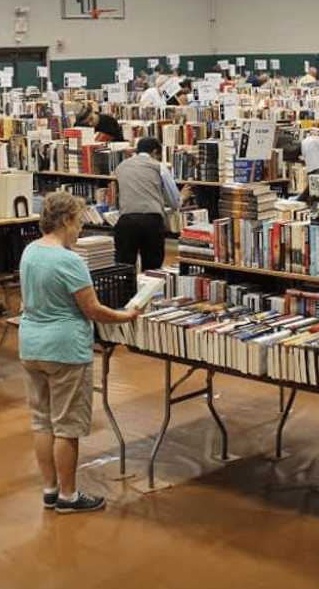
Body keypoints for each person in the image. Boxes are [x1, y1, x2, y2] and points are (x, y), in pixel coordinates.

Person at [19, 191, 141, 514]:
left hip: (30, 344)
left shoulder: (29, 252)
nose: (81, 230)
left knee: (42, 421)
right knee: (67, 425)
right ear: (65, 221)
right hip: (64, 349)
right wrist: (126, 316)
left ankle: (50, 490)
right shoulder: (70, 261)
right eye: (78, 222)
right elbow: (93, 309)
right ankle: (69, 497)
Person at [114, 137, 192, 270]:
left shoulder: (121, 167)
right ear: (155, 152)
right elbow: (174, 203)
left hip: (125, 221)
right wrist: (183, 197)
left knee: (124, 267)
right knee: (152, 269)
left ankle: (128, 291)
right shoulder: (159, 167)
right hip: (151, 221)